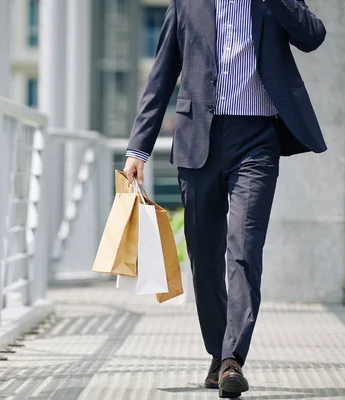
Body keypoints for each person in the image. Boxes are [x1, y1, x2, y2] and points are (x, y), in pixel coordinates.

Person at [123, 0, 326, 397]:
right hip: (198, 141)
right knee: (205, 257)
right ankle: (218, 352)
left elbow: (312, 36)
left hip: (256, 142)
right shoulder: (187, 3)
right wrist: (138, 149)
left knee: (245, 249)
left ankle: (233, 358)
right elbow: (162, 74)